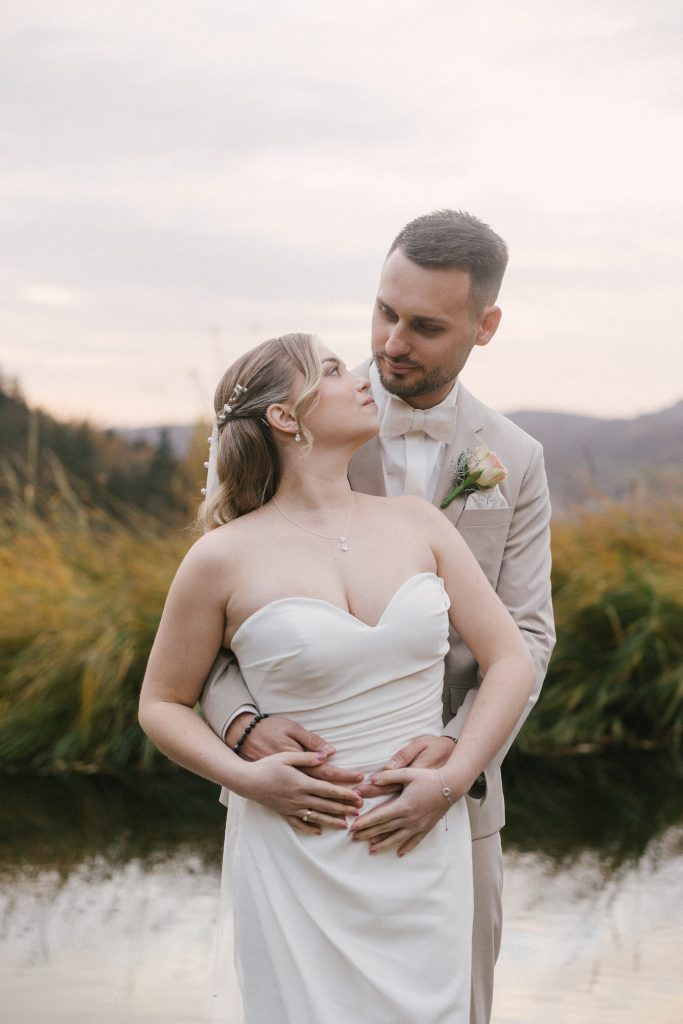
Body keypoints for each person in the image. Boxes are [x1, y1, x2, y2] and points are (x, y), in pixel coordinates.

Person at [200, 211, 555, 1024]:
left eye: (425, 327)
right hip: (300, 802)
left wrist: (456, 756)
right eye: (384, 312)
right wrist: (243, 727)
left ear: (484, 327)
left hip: (452, 804)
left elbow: (526, 635)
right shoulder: (296, 417)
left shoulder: (516, 458)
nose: (392, 343)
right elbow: (215, 620)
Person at [138, 331, 535, 1023]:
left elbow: (512, 659)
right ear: (283, 417)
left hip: (421, 841)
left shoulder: (417, 523)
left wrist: (450, 779)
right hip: (298, 849)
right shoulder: (220, 558)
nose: (358, 375)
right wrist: (247, 778)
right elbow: (162, 703)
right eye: (328, 369)